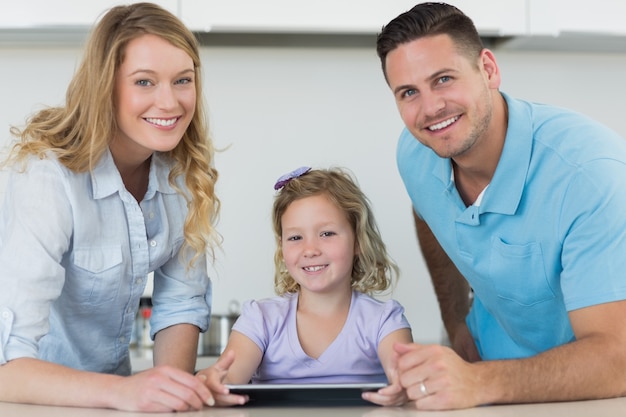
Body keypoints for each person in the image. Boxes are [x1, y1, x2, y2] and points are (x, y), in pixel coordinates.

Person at [375, 1, 626, 411]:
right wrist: (455, 319)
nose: (430, 108)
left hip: (598, 396)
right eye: (408, 93)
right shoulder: (417, 154)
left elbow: (618, 361)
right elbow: (426, 210)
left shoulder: (591, 176)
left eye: (443, 79)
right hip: (492, 386)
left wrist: (477, 382)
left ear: (488, 69)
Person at [0, 3, 221, 412]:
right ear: (105, 86)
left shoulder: (183, 174)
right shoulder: (48, 176)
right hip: (31, 403)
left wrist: (173, 395)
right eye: (144, 81)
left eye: (182, 80)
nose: (170, 102)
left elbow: (181, 303)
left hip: (112, 403)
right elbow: (6, 366)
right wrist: (124, 392)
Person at [195, 167, 413, 407]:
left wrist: (407, 384)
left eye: (327, 233)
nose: (310, 250)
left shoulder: (384, 321)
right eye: (296, 238)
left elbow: (406, 377)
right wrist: (209, 381)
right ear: (282, 246)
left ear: (358, 240)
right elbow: (226, 377)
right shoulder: (260, 319)